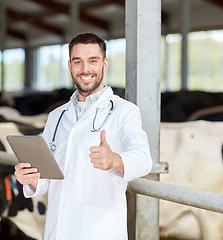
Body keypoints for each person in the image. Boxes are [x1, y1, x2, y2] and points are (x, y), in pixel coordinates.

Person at [14, 32, 152, 240]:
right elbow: (47, 178)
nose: (85, 69)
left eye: (93, 61)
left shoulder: (124, 111)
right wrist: (31, 179)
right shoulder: (56, 116)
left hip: (98, 230)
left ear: (104, 64)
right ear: (70, 66)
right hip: (58, 228)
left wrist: (115, 160)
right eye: (78, 62)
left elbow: (144, 159)